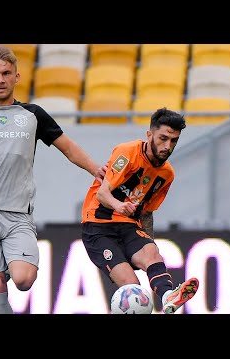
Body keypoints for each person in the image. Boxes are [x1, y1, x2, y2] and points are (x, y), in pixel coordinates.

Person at [0, 45, 107, 314]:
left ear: (17, 77)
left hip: (17, 215)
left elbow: (68, 148)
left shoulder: (33, 115)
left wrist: (96, 169)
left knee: (24, 279)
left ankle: (5, 265)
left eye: (6, 73)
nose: (0, 79)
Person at [81, 107, 199, 314]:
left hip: (128, 225)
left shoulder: (166, 174)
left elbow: (146, 212)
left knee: (152, 253)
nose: (167, 146)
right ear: (149, 134)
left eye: (173, 141)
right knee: (133, 288)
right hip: (98, 226)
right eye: (163, 138)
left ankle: (168, 297)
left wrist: (147, 240)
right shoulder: (127, 152)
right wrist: (119, 206)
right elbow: (102, 194)